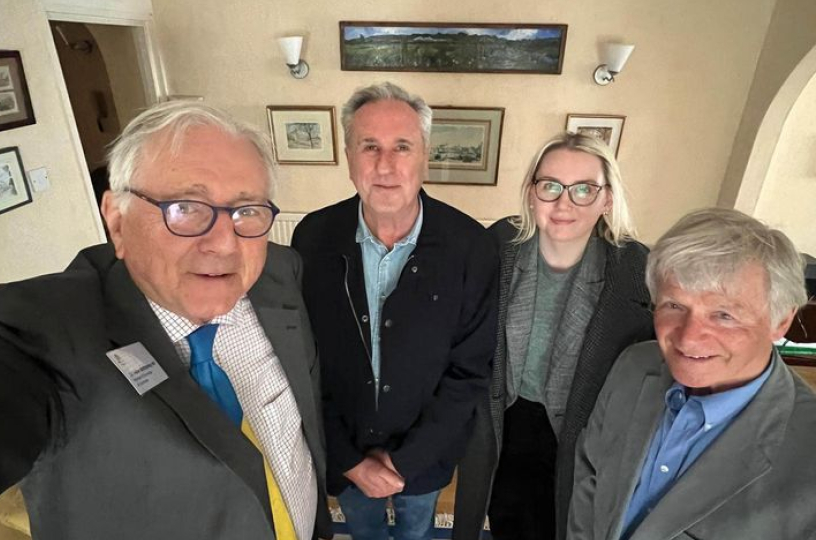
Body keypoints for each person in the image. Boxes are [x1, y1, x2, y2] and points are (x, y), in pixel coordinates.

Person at [0, 101, 331, 540]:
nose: (224, 244)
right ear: (117, 220)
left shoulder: (280, 271)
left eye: (246, 211)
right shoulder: (45, 332)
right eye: (186, 208)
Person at [291, 82, 498, 540]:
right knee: (363, 532)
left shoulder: (472, 247)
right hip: (344, 454)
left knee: (416, 531)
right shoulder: (312, 238)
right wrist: (348, 460)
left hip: (425, 459)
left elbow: (470, 372)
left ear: (425, 155)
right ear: (348, 155)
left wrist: (404, 463)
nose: (385, 165)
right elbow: (303, 363)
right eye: (369, 146)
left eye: (402, 146)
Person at [567, 208, 816, 540]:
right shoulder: (633, 365)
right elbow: (590, 476)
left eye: (723, 314)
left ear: (780, 322)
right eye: (674, 306)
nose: (687, 337)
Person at [454, 132, 654, 540]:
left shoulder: (634, 268)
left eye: (584, 189)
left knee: (564, 524)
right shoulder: (499, 245)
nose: (564, 203)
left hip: (582, 434)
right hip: (503, 423)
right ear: (531, 193)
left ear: (607, 199)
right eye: (550, 186)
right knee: (505, 518)